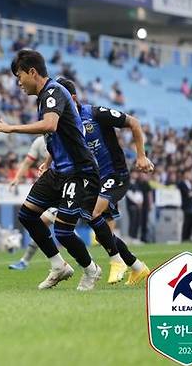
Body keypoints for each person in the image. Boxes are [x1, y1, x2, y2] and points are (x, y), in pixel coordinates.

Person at [0, 49, 101, 291]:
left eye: (19, 76)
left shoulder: (53, 91)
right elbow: (62, 133)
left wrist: (10, 128)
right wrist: (49, 160)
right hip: (59, 170)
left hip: (79, 171)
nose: (18, 83)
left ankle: (91, 270)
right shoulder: (44, 97)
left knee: (63, 231)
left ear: (32, 72)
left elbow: (50, 125)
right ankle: (59, 266)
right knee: (27, 215)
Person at [56, 78, 152, 285]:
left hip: (115, 175)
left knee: (93, 213)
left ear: (72, 98)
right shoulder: (65, 123)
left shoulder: (95, 114)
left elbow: (134, 122)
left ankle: (116, 262)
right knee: (103, 235)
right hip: (94, 180)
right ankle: (138, 267)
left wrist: (141, 156)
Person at [7, 135, 59, 270]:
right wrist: (17, 177)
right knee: (51, 224)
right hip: (49, 185)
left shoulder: (63, 135)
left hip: (65, 184)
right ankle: (85, 260)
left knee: (55, 225)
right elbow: (27, 162)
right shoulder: (39, 142)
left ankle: (88, 262)